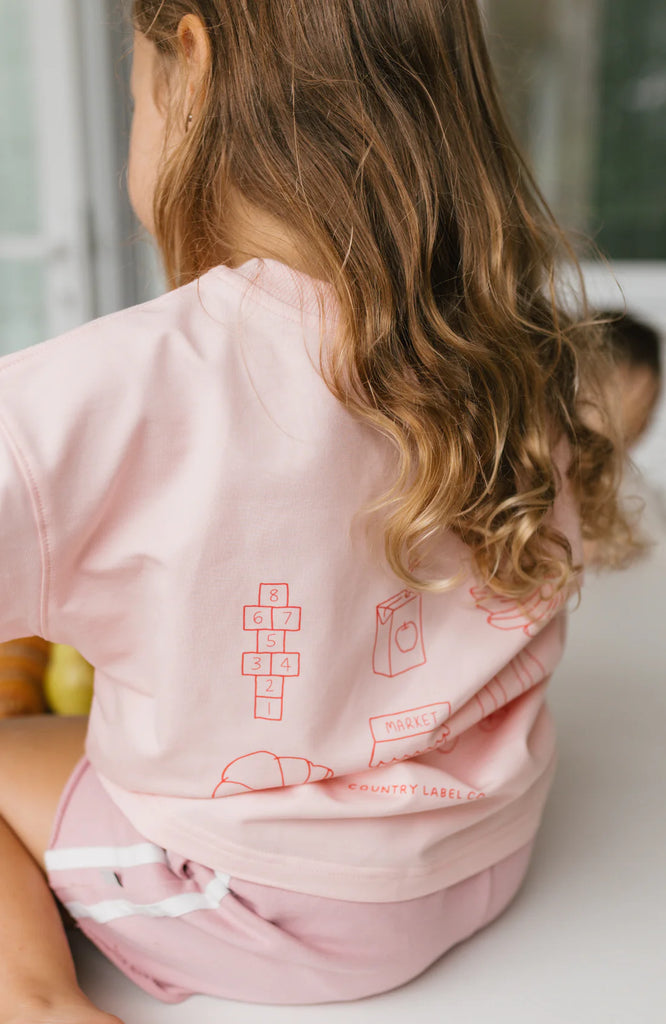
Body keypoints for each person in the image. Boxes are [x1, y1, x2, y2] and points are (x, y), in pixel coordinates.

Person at [0, 2, 639, 1020]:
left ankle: (34, 999)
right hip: (482, 848)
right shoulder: (508, 338)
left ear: (191, 65)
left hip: (268, 903)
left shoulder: (116, 388)